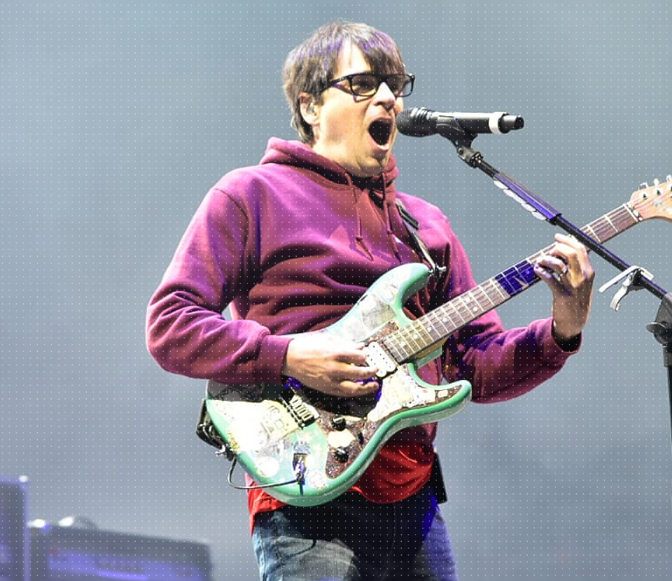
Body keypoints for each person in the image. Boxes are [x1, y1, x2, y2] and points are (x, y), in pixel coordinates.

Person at [146, 21, 594, 581]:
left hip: (413, 501)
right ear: (310, 106)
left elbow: (476, 365)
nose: (387, 98)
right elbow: (171, 324)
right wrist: (288, 355)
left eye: (394, 85)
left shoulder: (425, 226)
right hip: (304, 496)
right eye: (362, 84)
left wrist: (562, 330)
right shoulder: (250, 195)